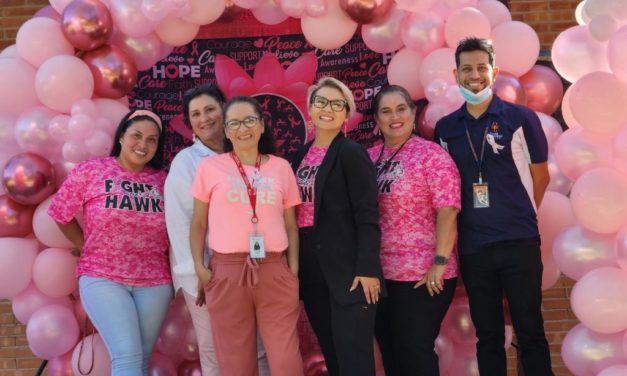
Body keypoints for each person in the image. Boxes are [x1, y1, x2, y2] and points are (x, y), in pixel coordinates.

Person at [434, 37, 553, 376]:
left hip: (519, 242)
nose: (475, 75)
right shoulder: (446, 129)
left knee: (530, 331)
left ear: (494, 72)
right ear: (456, 74)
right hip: (474, 248)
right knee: (488, 336)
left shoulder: (520, 118)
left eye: (481, 68)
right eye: (467, 69)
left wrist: (519, 214)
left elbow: (540, 178)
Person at [48, 110, 173, 375]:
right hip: (102, 275)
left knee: (141, 360)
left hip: (154, 282)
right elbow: (60, 212)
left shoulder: (163, 181)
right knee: (127, 356)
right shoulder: (92, 170)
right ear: (122, 137)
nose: (143, 144)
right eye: (136, 136)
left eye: (152, 140)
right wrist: (84, 243)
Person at [190, 96, 303, 376]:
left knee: (285, 357)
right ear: (227, 131)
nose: (243, 128)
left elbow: (291, 224)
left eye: (250, 120)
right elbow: (198, 223)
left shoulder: (281, 167)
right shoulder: (210, 168)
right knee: (234, 360)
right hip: (228, 271)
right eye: (235, 123)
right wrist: (201, 270)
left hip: (275, 268)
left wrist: (294, 269)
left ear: (262, 125)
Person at [165, 85, 269, 376]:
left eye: (210, 109)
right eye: (195, 114)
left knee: (257, 347)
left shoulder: (250, 153)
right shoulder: (186, 163)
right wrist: (197, 270)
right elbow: (181, 221)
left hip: (253, 269)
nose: (205, 118)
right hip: (207, 274)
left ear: (224, 109)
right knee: (214, 349)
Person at [292, 76, 383, 376]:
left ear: (346, 113)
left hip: (349, 270)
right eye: (320, 102)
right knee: (332, 353)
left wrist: (368, 268)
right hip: (312, 267)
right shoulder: (299, 156)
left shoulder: (351, 153)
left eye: (336, 103)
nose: (327, 108)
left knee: (354, 357)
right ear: (310, 109)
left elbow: (367, 215)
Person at [368, 85, 461, 376]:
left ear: (413, 112)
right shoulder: (367, 158)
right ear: (376, 119)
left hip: (423, 274)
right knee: (391, 350)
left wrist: (439, 262)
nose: (394, 117)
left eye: (401, 109)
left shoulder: (432, 156)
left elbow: (448, 210)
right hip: (381, 275)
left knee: (415, 348)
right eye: (386, 111)